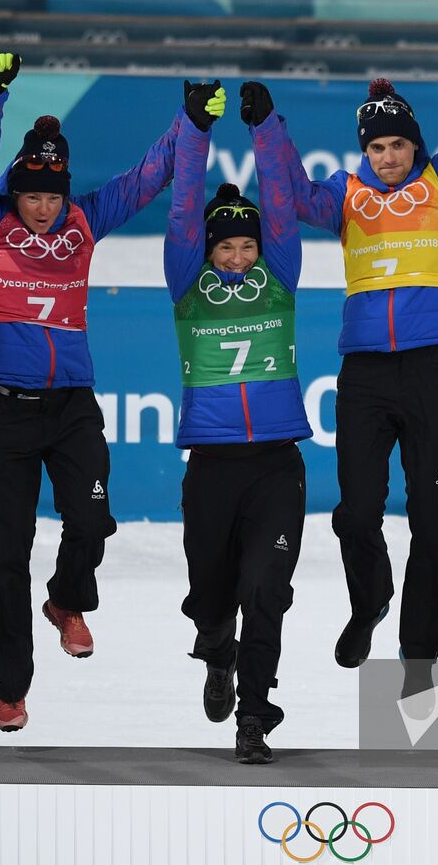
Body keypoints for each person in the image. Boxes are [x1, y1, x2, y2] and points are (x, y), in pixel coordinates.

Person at [241, 0, 438, 689]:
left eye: (396, 144)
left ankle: (418, 656)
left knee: (433, 519)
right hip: (362, 373)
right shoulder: (347, 194)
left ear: (415, 144)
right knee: (355, 514)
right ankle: (370, 603)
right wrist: (267, 128)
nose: (387, 157)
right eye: (376, 147)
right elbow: (293, 195)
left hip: (430, 372)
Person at [0, 53, 182, 731]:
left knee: (90, 520)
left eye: (55, 197)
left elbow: (146, 180)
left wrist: (188, 123)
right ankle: (12, 688)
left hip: (74, 408)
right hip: (5, 415)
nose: (46, 209)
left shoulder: (83, 224)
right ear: (13, 194)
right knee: (8, 553)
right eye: (34, 197)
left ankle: (68, 600)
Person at [162, 80, 311, 764]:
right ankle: (215, 651)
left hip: (277, 464)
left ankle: (254, 715)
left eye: (246, 248)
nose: (238, 256)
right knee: (213, 596)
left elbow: (281, 204)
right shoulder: (188, 287)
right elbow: (183, 212)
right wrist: (194, 131)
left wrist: (267, 130)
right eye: (226, 249)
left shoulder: (278, 275)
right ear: (207, 251)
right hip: (214, 468)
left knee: (266, 591)